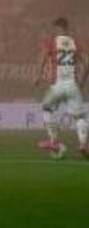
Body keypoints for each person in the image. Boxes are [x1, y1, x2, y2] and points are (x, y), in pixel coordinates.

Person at [34, 17, 88, 160]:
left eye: (55, 29)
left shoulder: (52, 43)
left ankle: (53, 140)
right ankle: (82, 144)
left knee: (47, 108)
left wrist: (38, 76)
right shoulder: (75, 43)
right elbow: (87, 62)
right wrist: (82, 81)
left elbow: (43, 58)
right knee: (80, 117)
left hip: (57, 86)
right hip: (72, 85)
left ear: (58, 28)